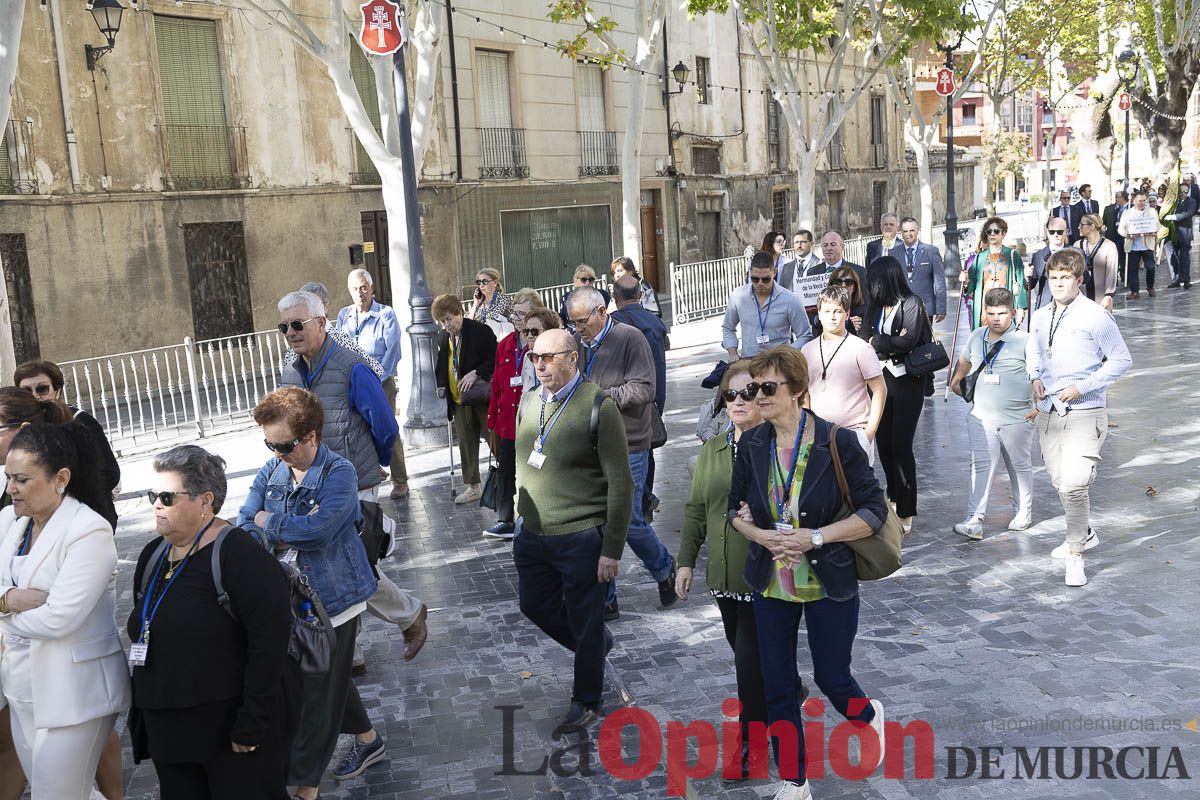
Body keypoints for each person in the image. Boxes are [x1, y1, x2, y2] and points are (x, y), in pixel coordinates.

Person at [727, 346, 888, 800]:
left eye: (766, 388)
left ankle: (865, 715)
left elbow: (873, 511)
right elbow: (732, 511)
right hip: (771, 581)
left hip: (826, 577)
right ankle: (794, 779)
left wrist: (814, 537)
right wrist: (759, 536)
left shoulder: (838, 442)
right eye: (751, 388)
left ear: (797, 391)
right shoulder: (752, 445)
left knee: (831, 676)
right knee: (776, 682)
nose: (756, 396)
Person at [237, 388, 382, 797]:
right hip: (289, 600)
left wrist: (272, 521)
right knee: (325, 680)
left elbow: (318, 533)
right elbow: (245, 523)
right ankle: (370, 740)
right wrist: (277, 525)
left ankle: (305, 787)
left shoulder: (340, 473)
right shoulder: (272, 469)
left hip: (337, 599)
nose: (277, 452)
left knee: (316, 697)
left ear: (312, 437)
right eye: (270, 443)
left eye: (284, 444)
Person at [128, 446, 294, 799]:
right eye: (152, 495)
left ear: (205, 500)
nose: (156, 504)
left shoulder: (241, 558)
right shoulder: (152, 555)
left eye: (166, 497)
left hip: (228, 734)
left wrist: (251, 724)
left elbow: (269, 647)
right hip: (169, 733)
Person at [279, 292, 423, 685]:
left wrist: (368, 466)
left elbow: (385, 425)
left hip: (352, 481)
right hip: (308, 484)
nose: (290, 333)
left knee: (342, 562)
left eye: (297, 324)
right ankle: (397, 620)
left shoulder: (352, 367)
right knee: (344, 564)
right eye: (284, 326)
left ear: (322, 322)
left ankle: (369, 637)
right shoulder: (290, 372)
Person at [0, 390, 122, 800]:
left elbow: (59, 619)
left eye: (22, 480)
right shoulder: (8, 522)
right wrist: (8, 601)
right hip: (21, 690)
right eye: (8, 479)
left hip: (75, 695)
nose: (11, 489)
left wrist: (2, 608)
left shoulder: (88, 530)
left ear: (60, 479)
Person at [512, 328, 631, 733]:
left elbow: (621, 482)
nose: (540, 364)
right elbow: (522, 461)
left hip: (581, 535)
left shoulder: (599, 406)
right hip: (532, 534)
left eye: (549, 357)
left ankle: (587, 699)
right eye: (534, 358)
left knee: (584, 618)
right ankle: (594, 647)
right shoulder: (529, 402)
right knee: (535, 605)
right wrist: (518, 512)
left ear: (573, 359)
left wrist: (611, 548)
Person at [675, 360, 773, 781]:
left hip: (763, 577)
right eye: (730, 394)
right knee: (747, 657)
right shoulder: (711, 450)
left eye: (747, 393)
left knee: (747, 666)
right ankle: (781, 689)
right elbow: (698, 509)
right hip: (722, 576)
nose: (738, 401)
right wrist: (684, 561)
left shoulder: (777, 449)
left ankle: (751, 744)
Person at [566, 287, 676, 619]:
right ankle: (607, 597)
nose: (577, 328)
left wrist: (600, 398)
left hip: (629, 443)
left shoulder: (630, 338)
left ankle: (663, 566)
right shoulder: (578, 345)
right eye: (572, 322)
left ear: (602, 312)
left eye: (582, 321)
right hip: (591, 444)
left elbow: (645, 388)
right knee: (598, 520)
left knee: (626, 520)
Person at [1026, 249, 1131, 586]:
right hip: (1049, 410)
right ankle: (1083, 530)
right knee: (1059, 482)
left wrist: (1082, 386)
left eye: (1065, 278)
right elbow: (1034, 349)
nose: (1058, 284)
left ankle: (1075, 556)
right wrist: (1034, 377)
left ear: (1079, 279)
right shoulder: (1040, 315)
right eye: (1053, 278)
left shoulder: (1095, 315)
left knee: (1074, 483)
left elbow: (1120, 360)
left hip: (1086, 411)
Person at [947, 288, 1035, 540]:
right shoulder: (976, 337)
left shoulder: (1025, 340)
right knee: (981, 467)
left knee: (1018, 465)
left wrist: (1036, 407)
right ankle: (975, 519)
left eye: (1002, 313)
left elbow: (1040, 375)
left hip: (1017, 417)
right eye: (990, 313)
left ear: (1013, 312)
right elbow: (961, 370)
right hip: (981, 417)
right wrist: (961, 389)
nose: (996, 318)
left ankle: (1023, 511)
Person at [484, 300, 559, 540]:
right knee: (510, 470)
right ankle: (511, 519)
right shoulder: (512, 349)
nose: (526, 333)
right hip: (515, 421)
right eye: (525, 329)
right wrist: (493, 418)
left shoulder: (558, 356)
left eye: (533, 330)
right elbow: (498, 383)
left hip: (549, 427)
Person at [866, 257, 931, 532]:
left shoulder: (912, 303)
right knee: (884, 445)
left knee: (901, 445)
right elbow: (864, 337)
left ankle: (906, 509)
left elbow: (908, 340)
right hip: (880, 383)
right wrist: (888, 344)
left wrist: (879, 342)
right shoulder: (876, 307)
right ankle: (892, 497)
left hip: (908, 383)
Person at [13, 360, 119, 521]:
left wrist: (67, 496)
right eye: (27, 391)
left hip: (88, 514)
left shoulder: (80, 421)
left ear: (57, 390)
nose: (35, 395)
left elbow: (110, 472)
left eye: (42, 389)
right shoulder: (21, 426)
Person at [334, 269, 409, 496]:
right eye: (355, 289)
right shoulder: (343, 316)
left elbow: (393, 351)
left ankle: (400, 480)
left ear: (372, 288)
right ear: (349, 291)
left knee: (386, 427)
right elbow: (339, 348)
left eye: (364, 287)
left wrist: (375, 378)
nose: (360, 293)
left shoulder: (385, 314)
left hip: (380, 382)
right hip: (352, 383)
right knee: (358, 429)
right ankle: (372, 471)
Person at [801, 287, 886, 466]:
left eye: (838, 311)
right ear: (819, 314)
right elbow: (804, 393)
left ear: (847, 314)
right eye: (827, 311)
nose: (832, 316)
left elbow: (880, 390)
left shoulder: (861, 348)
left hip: (854, 433)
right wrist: (807, 429)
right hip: (818, 435)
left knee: (856, 492)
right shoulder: (807, 350)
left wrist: (868, 433)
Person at [611, 275, 669, 521]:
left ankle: (642, 499)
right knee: (647, 450)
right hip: (655, 398)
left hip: (630, 399)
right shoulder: (654, 322)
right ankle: (645, 497)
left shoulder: (615, 324)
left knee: (629, 453)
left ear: (615, 298)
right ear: (640, 294)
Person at [433, 293, 498, 504]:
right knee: (466, 443)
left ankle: (509, 476)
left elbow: (495, 359)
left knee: (494, 438)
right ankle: (473, 486)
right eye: (442, 321)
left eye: (449, 319)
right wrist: (441, 385)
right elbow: (442, 364)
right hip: (459, 399)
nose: (446, 325)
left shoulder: (480, 331)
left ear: (460, 313)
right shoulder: (443, 337)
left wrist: (476, 372)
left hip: (481, 396)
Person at [722, 252, 811, 362]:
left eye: (765, 279)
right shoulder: (738, 296)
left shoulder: (790, 300)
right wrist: (732, 352)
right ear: (750, 273)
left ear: (774, 272)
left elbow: (805, 335)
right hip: (749, 362)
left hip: (779, 364)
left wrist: (787, 352)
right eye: (755, 279)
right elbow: (727, 328)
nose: (760, 283)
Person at [288, 282, 386, 380]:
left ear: (325, 307)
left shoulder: (340, 340)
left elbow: (377, 370)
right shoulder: (294, 347)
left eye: (314, 305)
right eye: (304, 306)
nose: (309, 310)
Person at [960, 216, 1028, 329]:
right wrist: (966, 282)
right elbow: (972, 284)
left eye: (996, 231)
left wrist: (1021, 308)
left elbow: (1020, 281)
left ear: (1004, 234)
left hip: (1005, 306)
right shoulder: (979, 258)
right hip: (984, 308)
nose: (992, 234)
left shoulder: (1012, 255)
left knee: (1005, 339)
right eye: (989, 231)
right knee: (984, 339)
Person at [893, 217, 947, 323]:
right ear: (901, 233)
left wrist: (941, 308)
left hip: (926, 309)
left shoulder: (931, 252)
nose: (909, 234)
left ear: (918, 231)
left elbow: (940, 283)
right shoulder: (893, 253)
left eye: (912, 230)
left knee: (925, 339)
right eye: (905, 231)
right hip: (902, 309)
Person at [1118, 189, 1159, 299]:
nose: (1142, 203)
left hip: (1147, 243)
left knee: (1150, 267)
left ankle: (1150, 287)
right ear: (1134, 201)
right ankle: (1134, 291)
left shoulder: (1151, 211)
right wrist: (1128, 234)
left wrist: (1154, 231)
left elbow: (1157, 226)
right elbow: (1120, 229)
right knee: (1133, 268)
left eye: (1144, 200)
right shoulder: (1127, 213)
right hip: (1133, 244)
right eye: (1140, 201)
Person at [1073, 214, 1119, 311]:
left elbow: (1111, 273)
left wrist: (1108, 295)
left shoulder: (1109, 246)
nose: (1078, 227)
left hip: (1101, 299)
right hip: (1081, 298)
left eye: (1081, 224)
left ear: (1092, 227)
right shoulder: (1077, 245)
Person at [1026, 219, 1070, 317]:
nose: (1056, 235)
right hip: (1044, 306)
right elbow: (1029, 285)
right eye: (1052, 232)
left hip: (1068, 308)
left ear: (1066, 232)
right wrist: (1027, 276)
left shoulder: (1075, 253)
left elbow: (1085, 280)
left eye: (1059, 232)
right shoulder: (1038, 255)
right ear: (1047, 232)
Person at [1165, 186, 1196, 289]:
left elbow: (1189, 213)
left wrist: (1175, 217)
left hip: (1184, 234)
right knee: (1172, 258)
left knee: (1184, 258)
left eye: (1185, 191)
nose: (1182, 193)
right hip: (1171, 235)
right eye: (1180, 191)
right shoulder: (1173, 202)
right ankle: (1176, 279)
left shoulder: (1191, 202)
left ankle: (1186, 280)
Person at [472, 268, 515, 340]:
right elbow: (470, 325)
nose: (481, 285)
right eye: (479, 282)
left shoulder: (504, 300)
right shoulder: (480, 305)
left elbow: (514, 322)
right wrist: (475, 304)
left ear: (495, 283)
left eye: (485, 282)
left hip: (500, 343)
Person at [1101, 190, 1128, 283]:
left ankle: (1125, 276)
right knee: (1112, 258)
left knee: (1124, 258)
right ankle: (1114, 278)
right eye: (1116, 197)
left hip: (1125, 237)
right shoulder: (1108, 209)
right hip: (1112, 237)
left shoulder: (1129, 208)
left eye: (1119, 197)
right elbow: (1103, 223)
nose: (1117, 199)